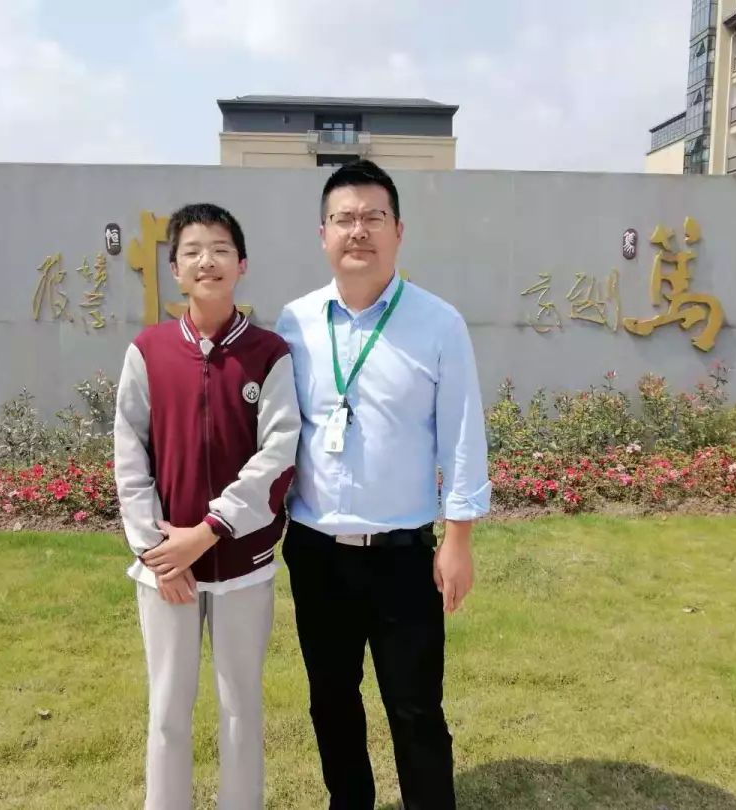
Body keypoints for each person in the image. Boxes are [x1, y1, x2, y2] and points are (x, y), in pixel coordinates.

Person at [275, 160, 491, 810]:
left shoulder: (438, 323)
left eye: (373, 217)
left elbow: (461, 435)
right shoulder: (295, 323)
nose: (358, 231)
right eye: (344, 218)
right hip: (316, 552)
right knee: (331, 701)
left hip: (403, 557)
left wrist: (458, 540)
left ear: (399, 230)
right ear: (323, 234)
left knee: (416, 707)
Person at [113, 202, 301, 810]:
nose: (207, 261)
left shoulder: (268, 354)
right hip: (166, 569)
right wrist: (157, 551)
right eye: (192, 251)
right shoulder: (149, 350)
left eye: (220, 249)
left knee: (240, 706)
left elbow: (278, 453)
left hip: (243, 565)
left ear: (241, 264)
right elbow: (129, 454)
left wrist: (211, 529)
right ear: (175, 270)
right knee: (168, 708)